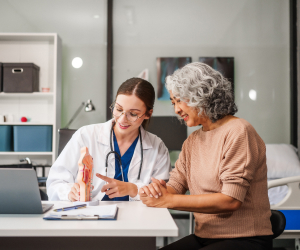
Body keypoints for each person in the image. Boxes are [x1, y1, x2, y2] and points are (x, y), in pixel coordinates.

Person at [140, 62, 273, 250]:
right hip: (206, 236)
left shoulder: (239, 131)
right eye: (173, 102)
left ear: (200, 94)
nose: (176, 110)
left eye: (179, 100)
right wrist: (157, 192)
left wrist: (167, 200)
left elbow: (231, 200)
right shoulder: (193, 141)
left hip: (245, 239)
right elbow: (176, 186)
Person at [47, 78, 171, 202]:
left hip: (137, 217)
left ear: (148, 114)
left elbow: (163, 193)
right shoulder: (85, 136)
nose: (122, 119)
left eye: (133, 114)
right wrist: (69, 192)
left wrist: (133, 189)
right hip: (90, 215)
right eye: (118, 109)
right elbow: (55, 182)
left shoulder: (157, 147)